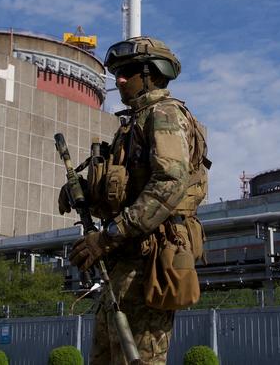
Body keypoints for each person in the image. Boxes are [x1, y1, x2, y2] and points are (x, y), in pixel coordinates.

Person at [59, 36, 209, 365]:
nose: (119, 79)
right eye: (117, 73)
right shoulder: (133, 124)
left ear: (151, 74)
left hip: (150, 263)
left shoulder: (164, 115)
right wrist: (83, 191)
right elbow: (124, 193)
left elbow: (170, 183)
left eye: (128, 71)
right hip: (124, 262)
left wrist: (108, 235)